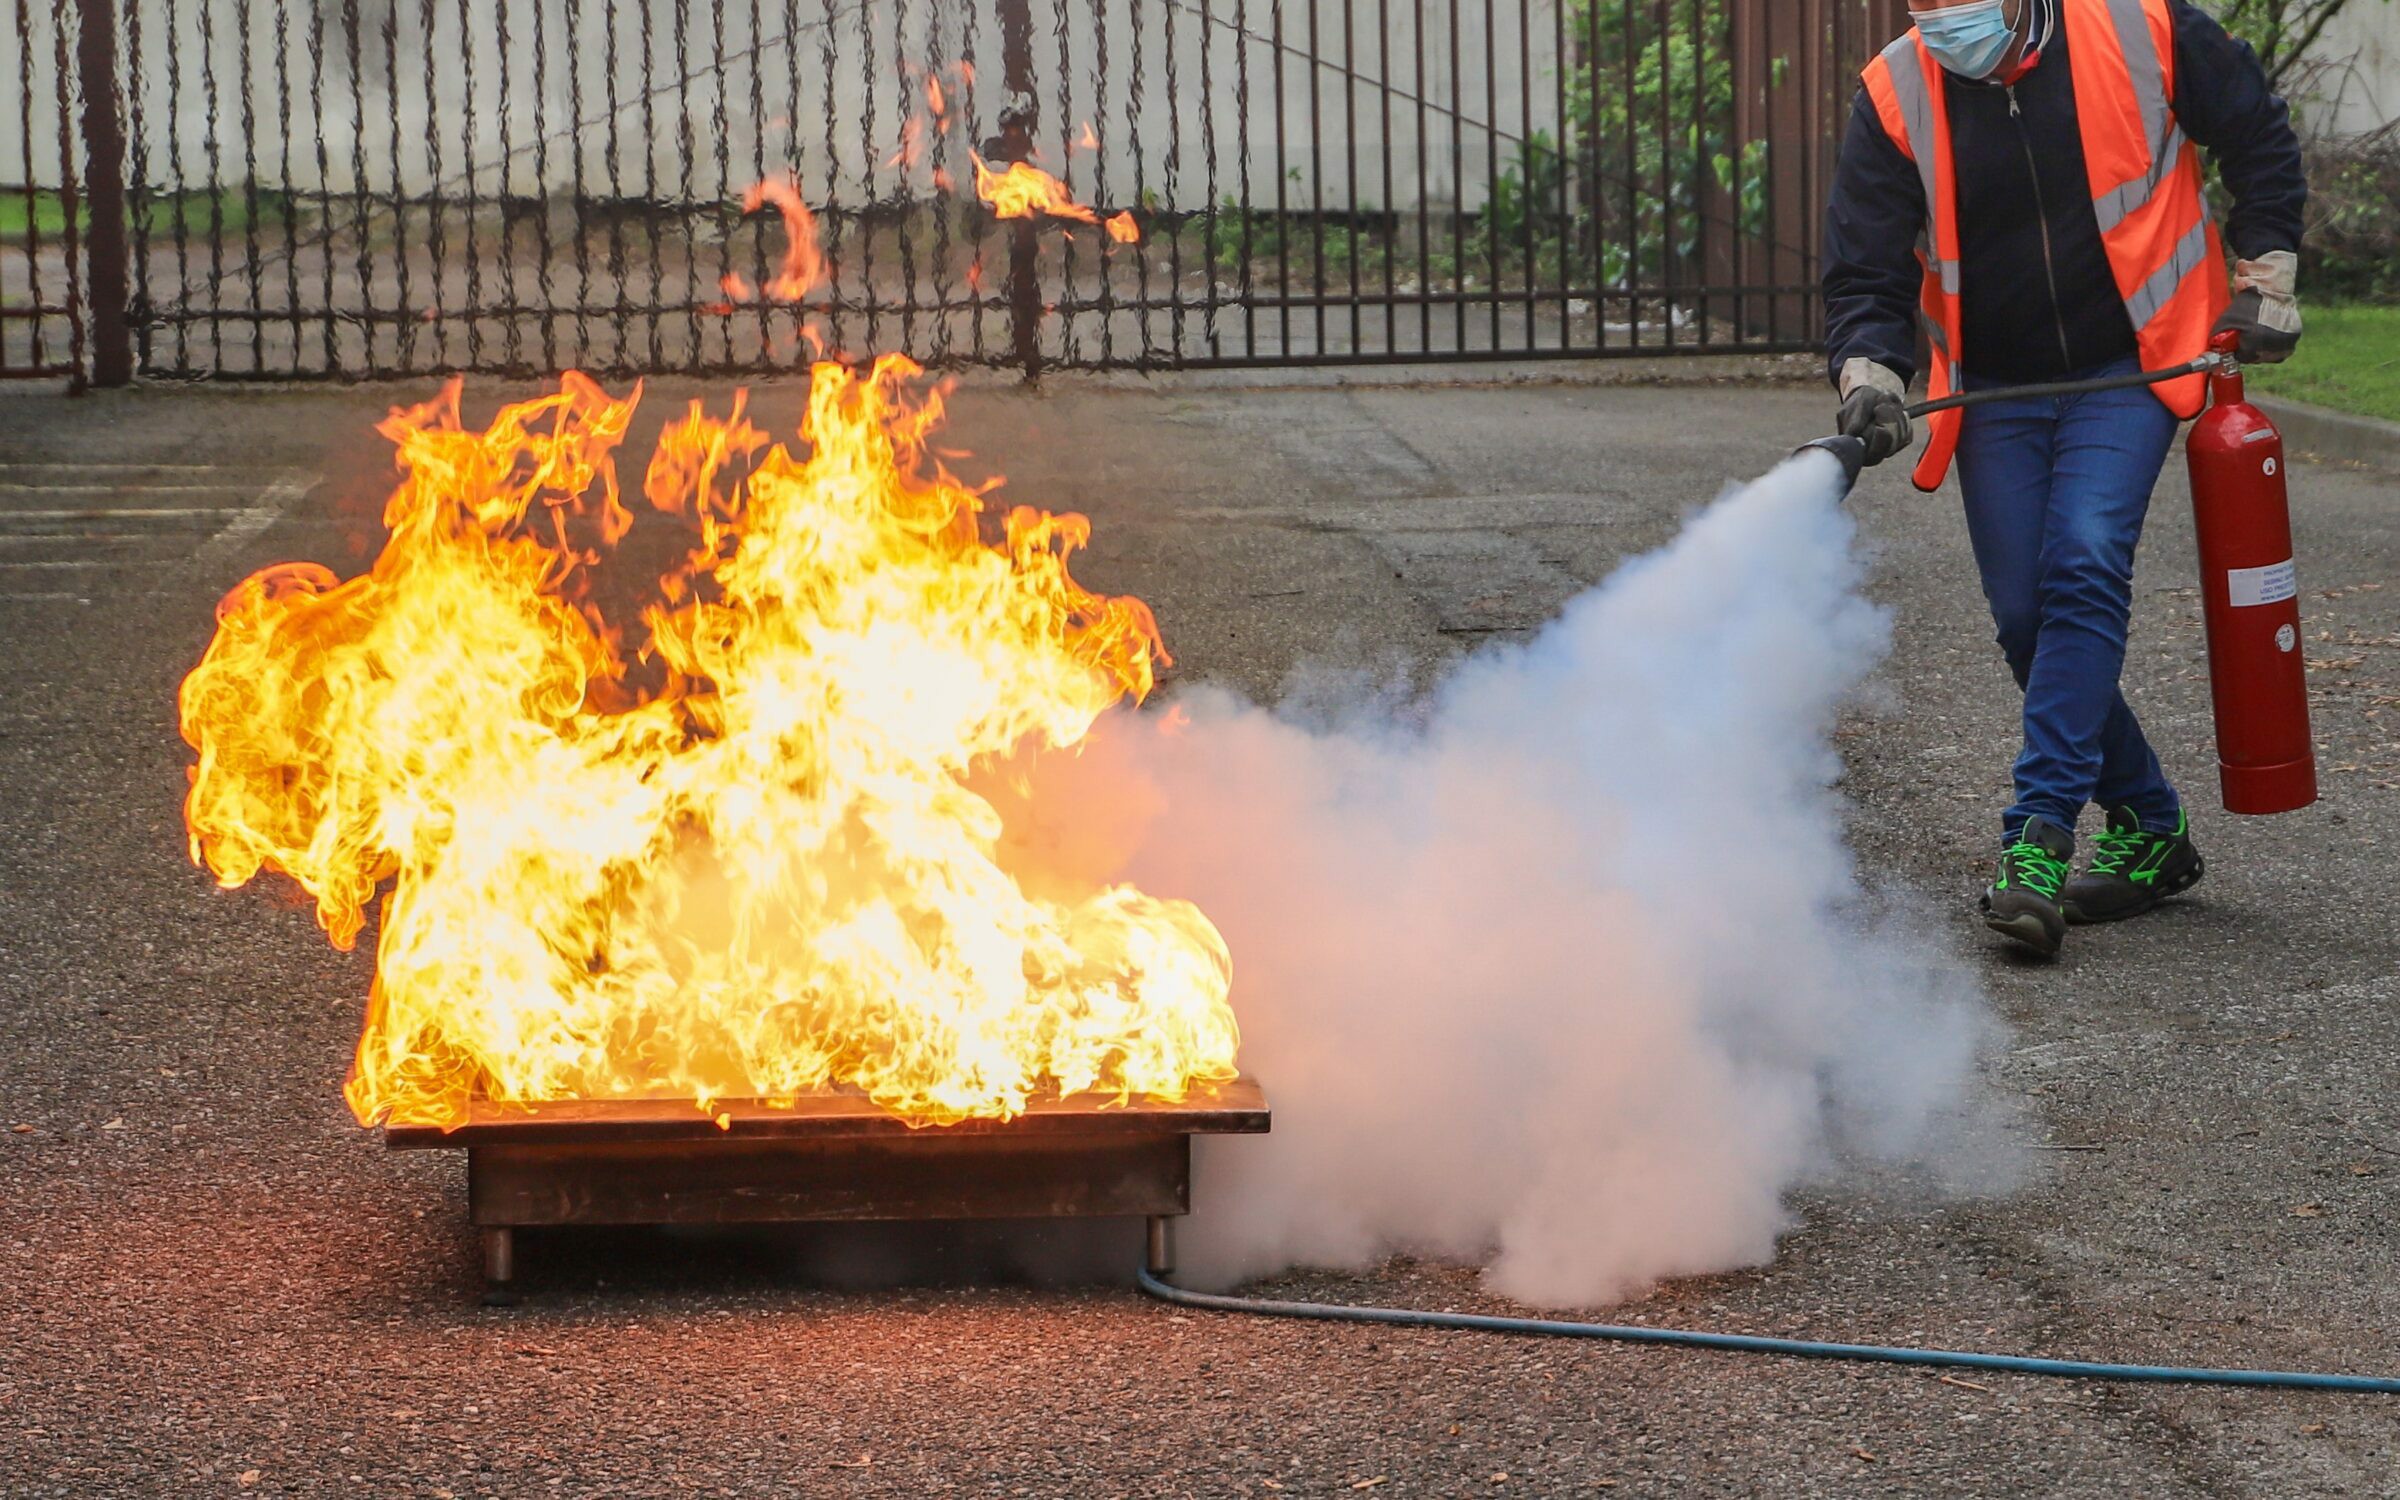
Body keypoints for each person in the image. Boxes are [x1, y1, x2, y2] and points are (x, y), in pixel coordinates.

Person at [1822, 0, 2305, 958]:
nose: (1946, 26)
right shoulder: (1897, 87)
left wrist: (2270, 277)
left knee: (2082, 561)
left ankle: (2036, 836)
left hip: (2136, 362)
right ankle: (2151, 827)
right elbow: (1865, 262)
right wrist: (1870, 370)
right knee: (2022, 618)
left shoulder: (2142, 27)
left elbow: (2255, 125)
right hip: (1998, 386)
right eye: (1929, 10)